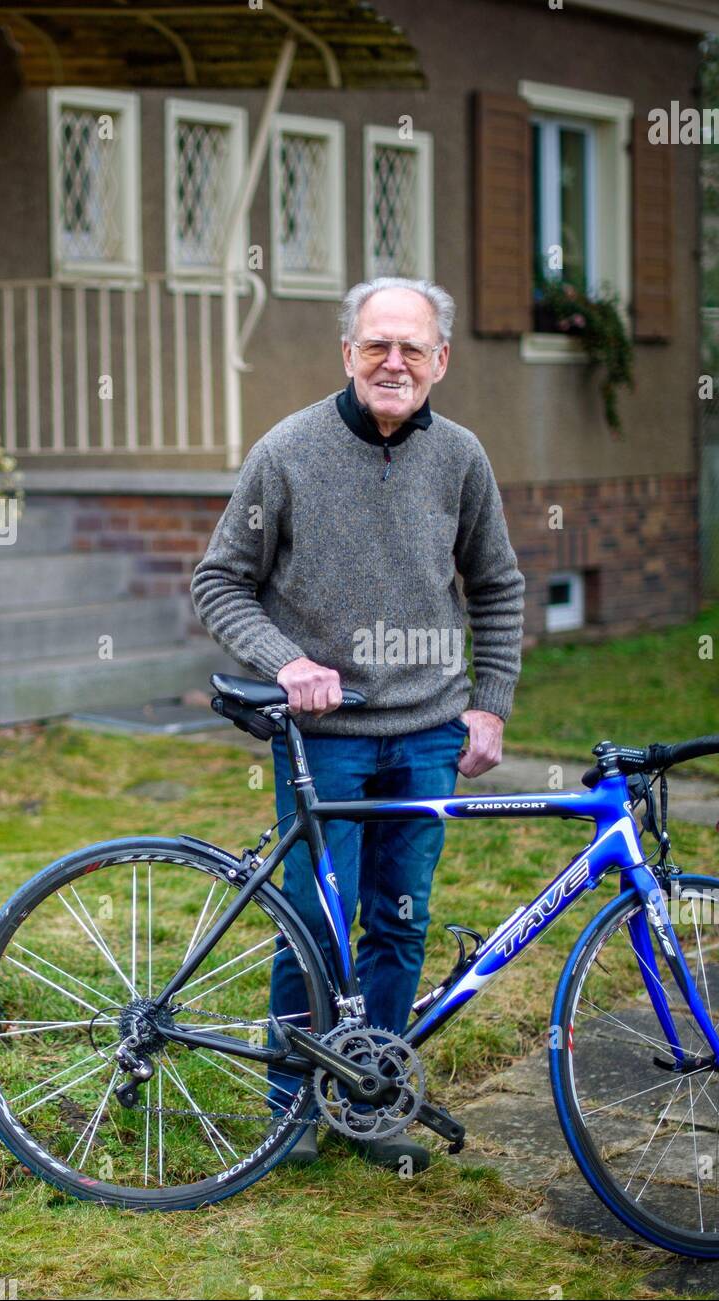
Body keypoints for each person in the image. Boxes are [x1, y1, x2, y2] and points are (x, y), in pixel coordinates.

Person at [191, 276, 524, 1169]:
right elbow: (218, 580)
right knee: (310, 919)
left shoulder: (461, 457)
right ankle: (290, 1107)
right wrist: (285, 662)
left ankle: (370, 1098)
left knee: (399, 921)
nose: (394, 362)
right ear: (347, 354)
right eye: (376, 344)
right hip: (325, 739)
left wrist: (490, 703)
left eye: (413, 348)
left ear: (440, 361)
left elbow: (495, 587)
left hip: (427, 734)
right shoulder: (288, 452)